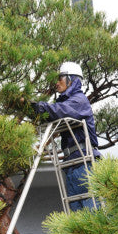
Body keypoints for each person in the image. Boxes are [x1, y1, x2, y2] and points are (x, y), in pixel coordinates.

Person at [28, 61, 101, 211]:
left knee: (92, 212)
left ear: (71, 79)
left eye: (60, 78)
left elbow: (58, 111)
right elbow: (51, 114)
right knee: (75, 217)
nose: (56, 83)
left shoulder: (79, 101)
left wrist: (38, 106)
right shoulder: (67, 102)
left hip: (84, 163)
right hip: (72, 165)